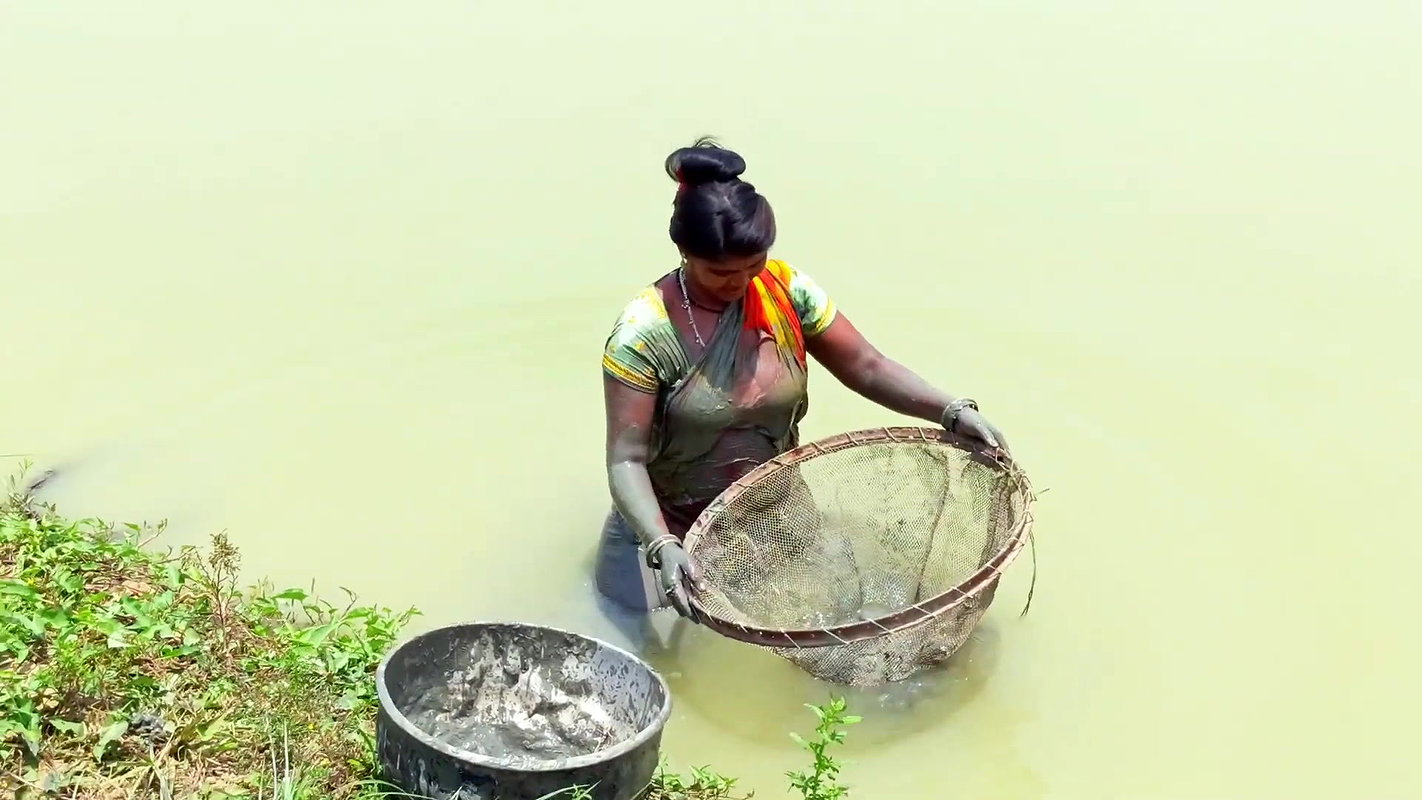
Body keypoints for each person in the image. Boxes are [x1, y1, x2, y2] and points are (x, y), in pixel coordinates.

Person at [597, 137, 1009, 623]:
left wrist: (950, 409)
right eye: (722, 273)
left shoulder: (784, 289)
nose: (742, 282)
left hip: (777, 514)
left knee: (831, 619)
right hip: (667, 532)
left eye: (754, 264)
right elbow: (625, 460)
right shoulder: (645, 332)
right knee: (660, 658)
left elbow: (867, 366)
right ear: (685, 252)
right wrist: (661, 544)